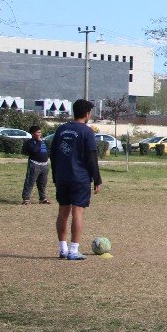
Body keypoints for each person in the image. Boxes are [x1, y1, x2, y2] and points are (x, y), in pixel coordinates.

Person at [50, 99, 103, 260]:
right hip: (79, 178)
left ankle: (62, 249)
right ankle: (73, 250)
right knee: (77, 212)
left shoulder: (61, 130)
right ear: (87, 114)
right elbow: (91, 157)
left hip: (62, 177)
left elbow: (53, 154)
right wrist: (97, 179)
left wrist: (55, 175)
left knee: (63, 212)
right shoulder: (87, 132)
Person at [21, 125, 51, 205]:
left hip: (44, 165)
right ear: (33, 133)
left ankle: (42, 198)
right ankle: (26, 199)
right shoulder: (30, 142)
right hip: (34, 164)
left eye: (40, 132)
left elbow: (47, 151)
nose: (40, 134)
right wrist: (38, 141)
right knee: (30, 182)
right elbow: (34, 150)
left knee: (42, 183)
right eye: (38, 132)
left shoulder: (42, 141)